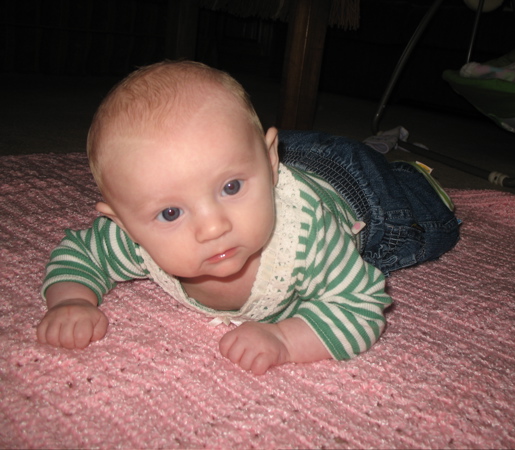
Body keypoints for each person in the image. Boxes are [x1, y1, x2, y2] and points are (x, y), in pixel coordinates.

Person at [37, 61, 460, 375]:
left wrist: (284, 338)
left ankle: (414, 178)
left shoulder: (308, 236)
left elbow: (361, 305)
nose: (213, 227)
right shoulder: (132, 239)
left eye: (231, 188)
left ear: (271, 163)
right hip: (260, 154)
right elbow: (80, 254)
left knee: (430, 225)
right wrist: (71, 300)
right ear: (124, 225)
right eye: (171, 212)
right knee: (231, 152)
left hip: (360, 190)